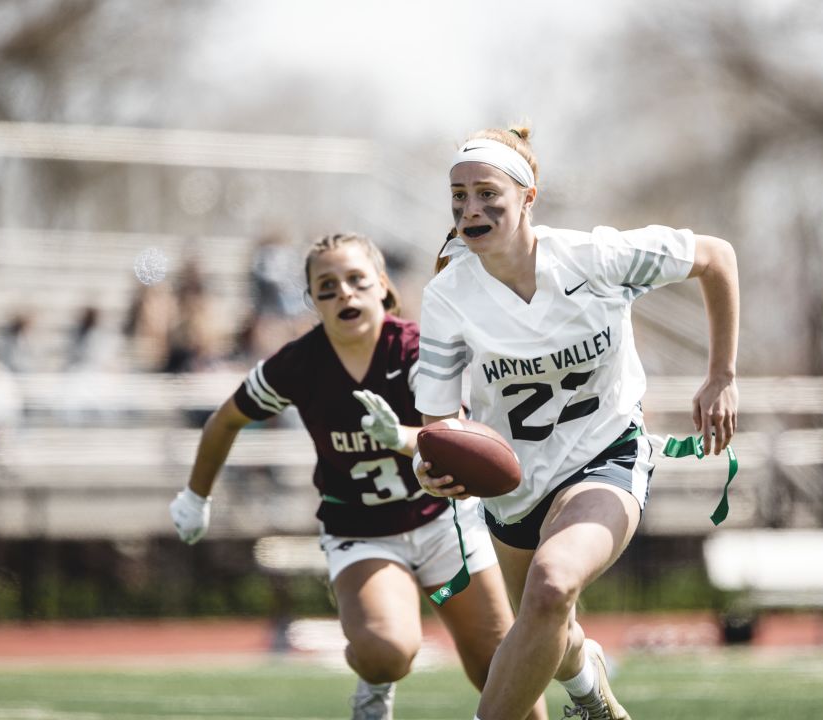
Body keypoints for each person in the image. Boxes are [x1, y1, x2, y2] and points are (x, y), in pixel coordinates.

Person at [414, 126, 740, 720]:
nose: (470, 208)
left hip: (606, 453)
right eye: (458, 196)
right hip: (513, 490)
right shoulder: (447, 297)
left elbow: (716, 257)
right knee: (548, 624)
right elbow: (437, 422)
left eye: (487, 193)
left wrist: (721, 376)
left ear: (528, 196)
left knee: (553, 584)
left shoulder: (596, 257)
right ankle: (591, 693)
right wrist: (434, 465)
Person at [168, 232, 547, 720]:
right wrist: (196, 495)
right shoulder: (298, 363)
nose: (343, 293)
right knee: (388, 651)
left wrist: (404, 437)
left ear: (382, 287)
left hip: (443, 524)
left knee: (507, 680)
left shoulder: (414, 346)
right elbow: (226, 419)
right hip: (362, 531)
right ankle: (373, 681)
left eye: (355, 280)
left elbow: (452, 433)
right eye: (326, 287)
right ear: (312, 301)